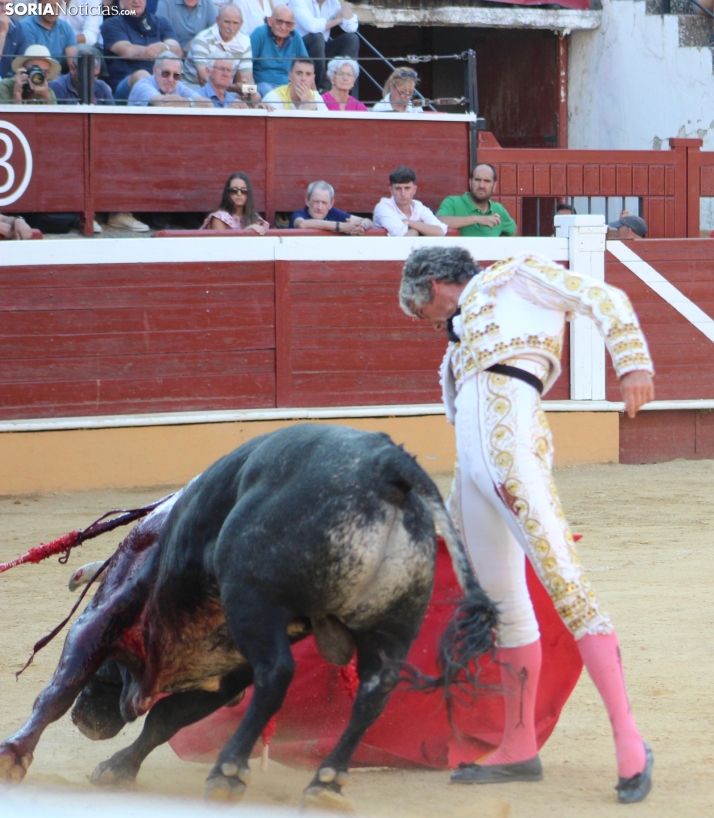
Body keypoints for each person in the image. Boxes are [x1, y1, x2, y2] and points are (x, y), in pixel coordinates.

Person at [399, 246, 655, 804]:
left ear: (435, 284)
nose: (427, 322)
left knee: (569, 590)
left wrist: (632, 362)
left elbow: (604, 296)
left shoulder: (515, 276)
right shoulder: (458, 341)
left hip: (517, 462)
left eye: (421, 310)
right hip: (473, 480)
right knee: (505, 609)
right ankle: (518, 748)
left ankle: (630, 741)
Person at [102, 0, 181, 99]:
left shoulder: (162, 22)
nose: (136, 1)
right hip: (127, 85)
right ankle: (161, 101)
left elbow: (177, 51)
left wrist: (163, 47)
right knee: (141, 76)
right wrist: (156, 50)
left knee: (191, 93)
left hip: (164, 81)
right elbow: (128, 51)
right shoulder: (112, 24)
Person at [183, 4, 259, 103]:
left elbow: (248, 77)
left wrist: (248, 90)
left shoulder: (245, 42)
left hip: (226, 89)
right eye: (227, 22)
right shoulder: (203, 39)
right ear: (217, 20)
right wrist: (233, 88)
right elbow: (203, 79)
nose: (231, 27)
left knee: (255, 97)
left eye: (235, 23)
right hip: (195, 86)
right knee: (206, 101)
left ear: (241, 24)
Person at [288, 0, 358, 93]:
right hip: (299, 50)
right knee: (317, 37)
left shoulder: (333, 3)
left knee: (351, 39)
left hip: (320, 51)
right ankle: (322, 88)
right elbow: (312, 27)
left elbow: (352, 27)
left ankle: (341, 86)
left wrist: (343, 2)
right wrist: (337, 20)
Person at [437, 164, 516, 238]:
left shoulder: (499, 210)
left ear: (494, 186)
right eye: (477, 180)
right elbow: (438, 222)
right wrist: (477, 219)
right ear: (470, 183)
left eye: (487, 181)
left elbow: (513, 231)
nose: (481, 185)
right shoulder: (453, 203)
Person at [373, 166, 447, 237]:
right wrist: (417, 228)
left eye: (407, 188)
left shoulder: (418, 206)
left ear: (414, 190)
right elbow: (403, 238)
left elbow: (440, 232)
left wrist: (409, 222)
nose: (403, 194)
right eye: (398, 189)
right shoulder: (383, 207)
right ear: (391, 190)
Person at [249, 5, 307, 97]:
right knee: (270, 93)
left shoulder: (296, 37)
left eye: (288, 23)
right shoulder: (259, 34)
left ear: (293, 26)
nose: (283, 27)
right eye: (279, 22)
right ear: (270, 21)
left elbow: (306, 66)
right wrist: (248, 90)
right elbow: (245, 67)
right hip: (262, 86)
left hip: (287, 87)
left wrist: (313, 93)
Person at [128, 50, 211, 105]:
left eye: (176, 75)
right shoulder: (143, 85)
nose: (171, 79)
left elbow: (208, 104)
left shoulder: (179, 86)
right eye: (166, 73)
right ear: (155, 71)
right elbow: (162, 103)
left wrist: (185, 102)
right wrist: (187, 103)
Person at [289, 180, 372, 233]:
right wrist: (341, 226)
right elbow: (302, 224)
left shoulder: (333, 213)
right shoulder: (299, 214)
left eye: (324, 203)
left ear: (331, 204)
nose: (319, 207)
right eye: (316, 202)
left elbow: (369, 222)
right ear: (307, 201)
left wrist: (362, 226)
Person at [201, 172, 269, 232]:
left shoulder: (255, 218)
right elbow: (221, 242)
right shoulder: (220, 217)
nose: (239, 194)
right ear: (227, 193)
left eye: (244, 191)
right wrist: (247, 232)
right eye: (234, 190)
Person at [49, 44, 115, 104]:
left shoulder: (102, 88)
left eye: (95, 75)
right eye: (86, 75)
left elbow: (112, 113)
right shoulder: (57, 87)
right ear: (72, 68)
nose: (91, 80)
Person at [20, 3, 77, 70]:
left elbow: (73, 64)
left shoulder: (66, 27)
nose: (52, 10)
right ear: (38, 4)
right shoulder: (26, 26)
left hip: (56, 73)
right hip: (37, 72)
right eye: (47, 5)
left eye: (56, 6)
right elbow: (32, 63)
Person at [0, 0, 28, 80]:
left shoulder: (18, 29)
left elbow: (23, 63)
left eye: (8, 5)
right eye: (0, 4)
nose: (4, 9)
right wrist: (2, 32)